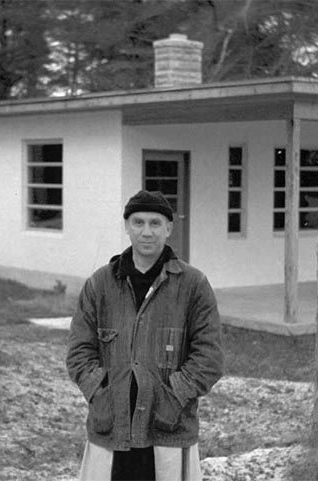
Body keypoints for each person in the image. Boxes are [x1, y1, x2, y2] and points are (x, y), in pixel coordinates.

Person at [66, 190, 224, 481]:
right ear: (127, 227)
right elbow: (79, 354)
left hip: (168, 431)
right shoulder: (100, 284)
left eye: (155, 223)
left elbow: (209, 359)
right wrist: (102, 395)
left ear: (169, 228)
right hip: (112, 429)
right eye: (138, 223)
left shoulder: (193, 285)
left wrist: (172, 398)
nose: (146, 232)